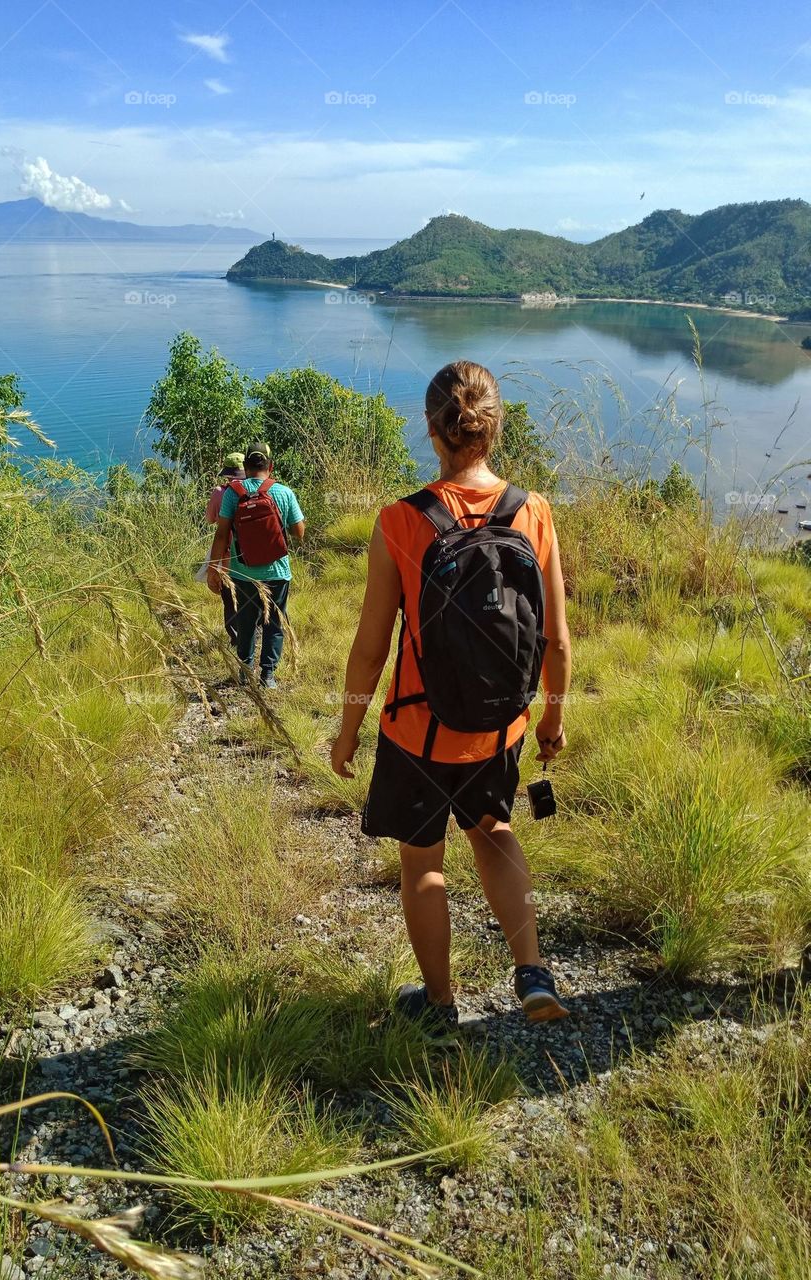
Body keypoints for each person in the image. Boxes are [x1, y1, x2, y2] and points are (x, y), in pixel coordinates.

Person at [330, 361, 572, 1033]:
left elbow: (371, 647)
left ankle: (439, 1004)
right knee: (495, 834)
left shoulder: (401, 522)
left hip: (417, 733)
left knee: (422, 863)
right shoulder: (536, 512)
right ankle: (531, 970)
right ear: (495, 426)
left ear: (434, 430)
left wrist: (348, 732)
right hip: (501, 727)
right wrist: (551, 719)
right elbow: (555, 640)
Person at [207, 443, 305, 689]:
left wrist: (213, 569)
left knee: (246, 621)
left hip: (242, 573)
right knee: (275, 623)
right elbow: (299, 533)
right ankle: (268, 676)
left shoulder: (231, 493)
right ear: (270, 467)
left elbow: (221, 535)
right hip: (277, 572)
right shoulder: (283, 492)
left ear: (246, 467)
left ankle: (244, 672)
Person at [205, 452, 246, 646]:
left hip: (227, 556)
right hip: (252, 556)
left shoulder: (220, 492)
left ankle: (235, 637)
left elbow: (210, 519)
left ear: (227, 472)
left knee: (229, 600)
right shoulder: (257, 489)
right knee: (249, 596)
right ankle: (252, 633)